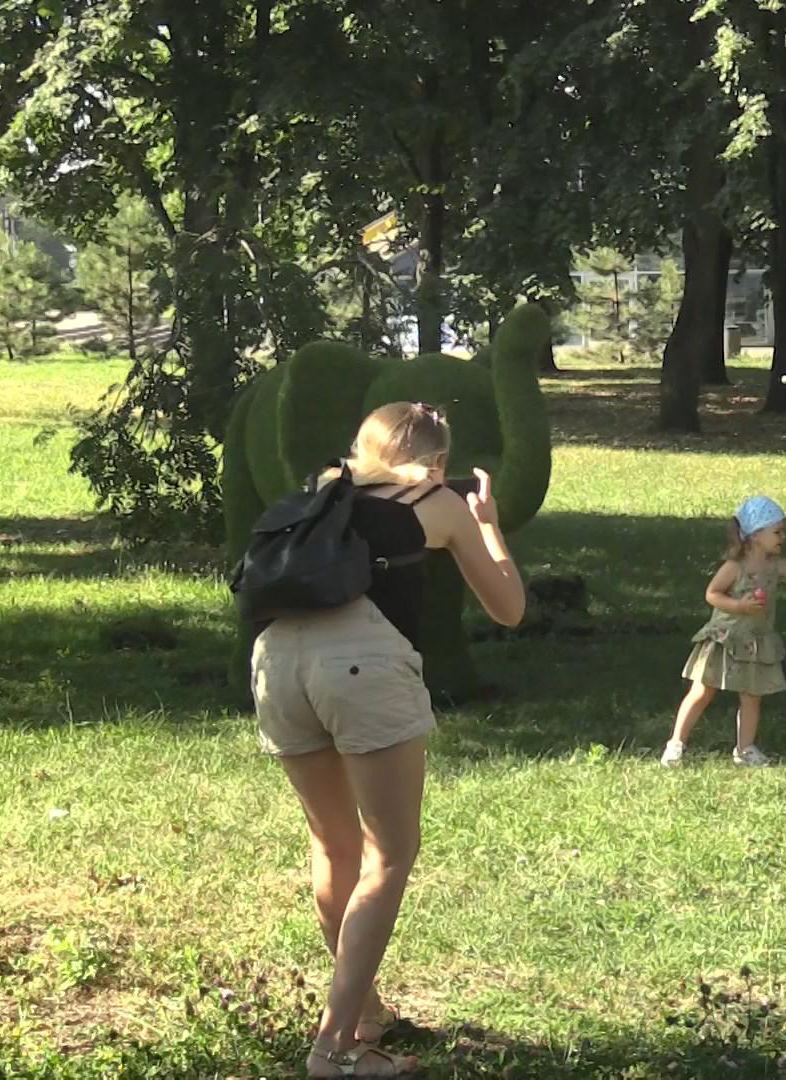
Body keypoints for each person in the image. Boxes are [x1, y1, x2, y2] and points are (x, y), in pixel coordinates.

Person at [248, 401, 526, 1078]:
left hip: (275, 661)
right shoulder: (435, 497)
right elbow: (508, 608)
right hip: (361, 666)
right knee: (389, 855)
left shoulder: (321, 490)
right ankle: (335, 1048)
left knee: (332, 846)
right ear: (439, 460)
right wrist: (487, 528)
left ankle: (362, 1015)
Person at [662, 495, 786, 767]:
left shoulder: (778, 565)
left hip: (756, 641)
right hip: (726, 639)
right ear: (755, 535)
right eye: (777, 531)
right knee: (703, 690)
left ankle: (745, 749)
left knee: (752, 696)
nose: (782, 537)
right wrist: (738, 605)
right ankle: (676, 745)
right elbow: (712, 594)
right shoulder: (734, 567)